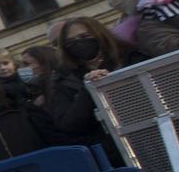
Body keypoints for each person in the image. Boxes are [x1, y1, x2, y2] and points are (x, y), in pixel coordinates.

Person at [43, 18, 122, 154]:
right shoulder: (63, 79)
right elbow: (69, 124)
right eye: (71, 42)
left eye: (84, 36)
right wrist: (88, 88)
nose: (80, 43)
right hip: (110, 152)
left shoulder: (127, 58)